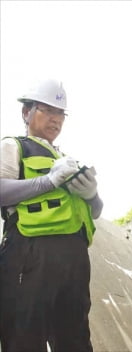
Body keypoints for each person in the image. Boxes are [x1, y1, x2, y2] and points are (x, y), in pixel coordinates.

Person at [0, 78, 103, 352]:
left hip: (74, 263)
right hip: (29, 256)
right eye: (47, 110)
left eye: (60, 113)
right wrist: (48, 181)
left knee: (76, 339)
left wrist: (92, 195)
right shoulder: (14, 146)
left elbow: (94, 212)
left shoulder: (67, 159)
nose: (55, 119)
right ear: (26, 113)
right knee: (24, 337)